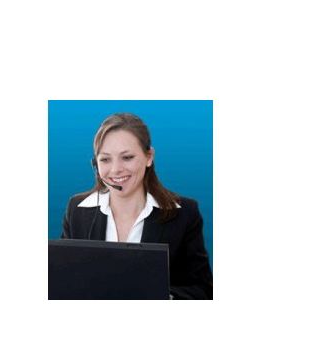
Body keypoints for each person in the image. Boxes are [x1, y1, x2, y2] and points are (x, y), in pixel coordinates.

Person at [61, 113, 213, 300]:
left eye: (127, 157)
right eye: (105, 159)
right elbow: (63, 280)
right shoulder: (77, 210)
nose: (116, 169)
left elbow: (203, 290)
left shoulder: (185, 214)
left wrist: (163, 298)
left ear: (149, 157)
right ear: (95, 163)